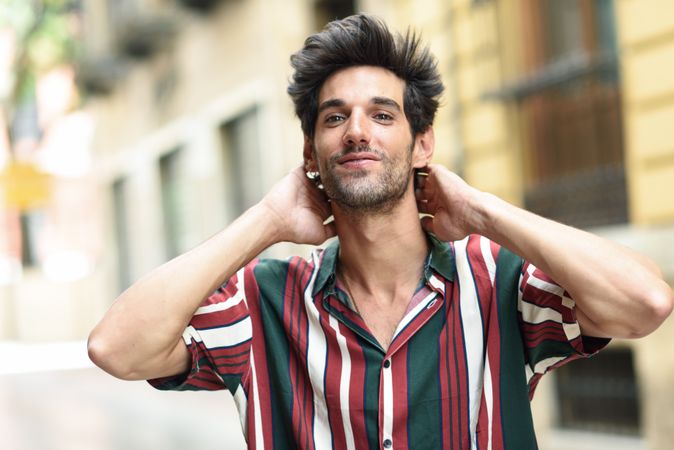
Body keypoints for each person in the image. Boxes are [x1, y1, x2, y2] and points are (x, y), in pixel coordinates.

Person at [88, 14, 673, 450]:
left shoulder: (497, 283)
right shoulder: (265, 300)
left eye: (383, 114)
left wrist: (483, 211)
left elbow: (645, 304)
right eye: (335, 117)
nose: (357, 132)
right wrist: (266, 222)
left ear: (423, 144)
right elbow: (117, 348)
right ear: (311, 153)